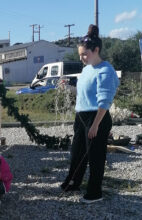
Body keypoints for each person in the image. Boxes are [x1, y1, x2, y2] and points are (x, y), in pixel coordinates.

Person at [61, 25, 119, 203]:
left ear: (96, 50)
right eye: (80, 54)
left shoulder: (105, 70)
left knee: (95, 157)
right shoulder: (86, 69)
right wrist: (69, 88)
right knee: (76, 152)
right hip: (81, 116)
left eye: (84, 54)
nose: (82, 58)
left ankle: (95, 192)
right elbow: (84, 94)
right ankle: (74, 182)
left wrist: (95, 125)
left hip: (97, 117)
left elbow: (105, 101)